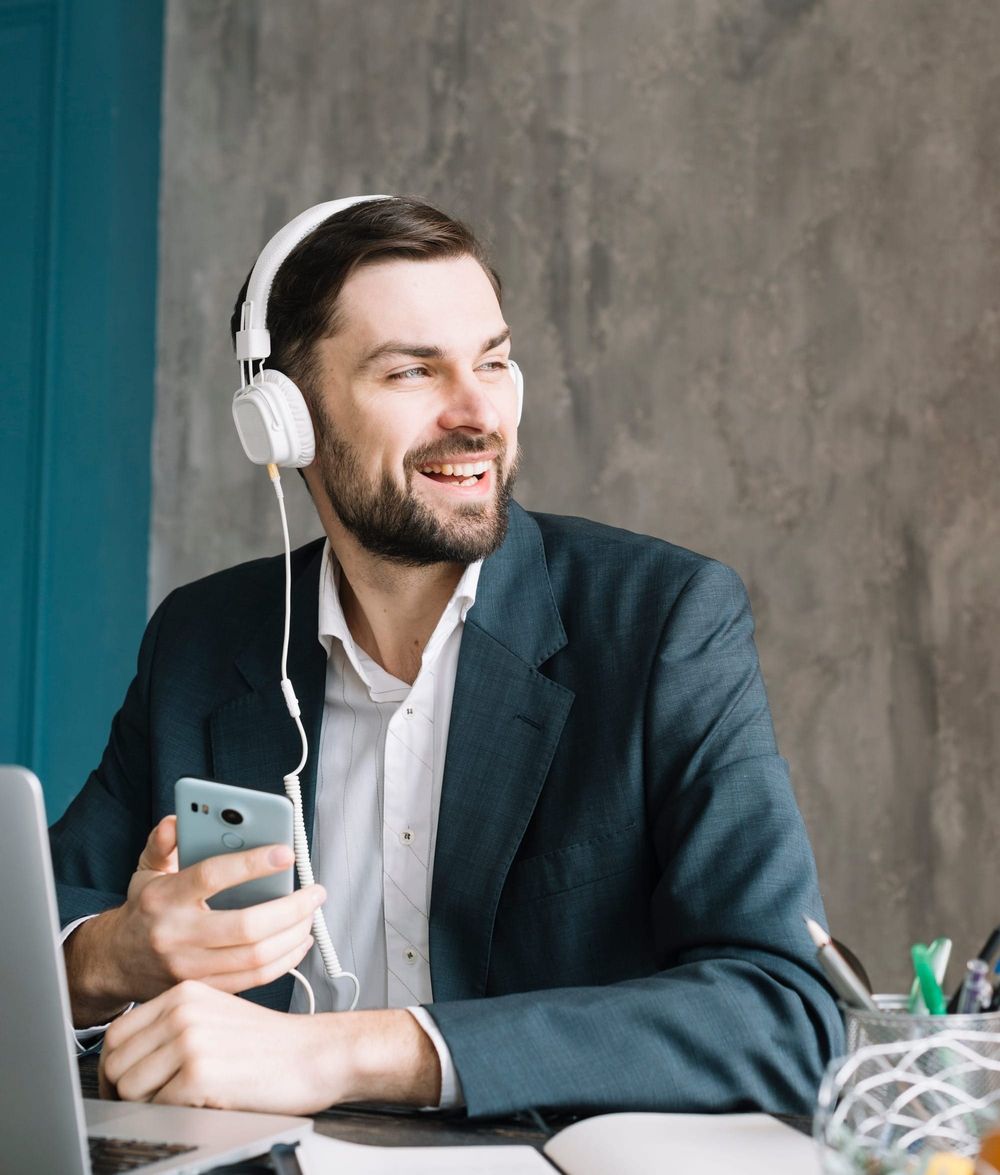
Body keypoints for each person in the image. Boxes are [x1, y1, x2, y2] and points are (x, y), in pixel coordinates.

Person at [50, 195, 843, 1119]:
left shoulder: (664, 621)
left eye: (495, 362)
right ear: (286, 420)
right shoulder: (204, 637)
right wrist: (112, 955)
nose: (478, 415)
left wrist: (344, 1055)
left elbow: (783, 1012)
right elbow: (43, 923)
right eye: (412, 372)